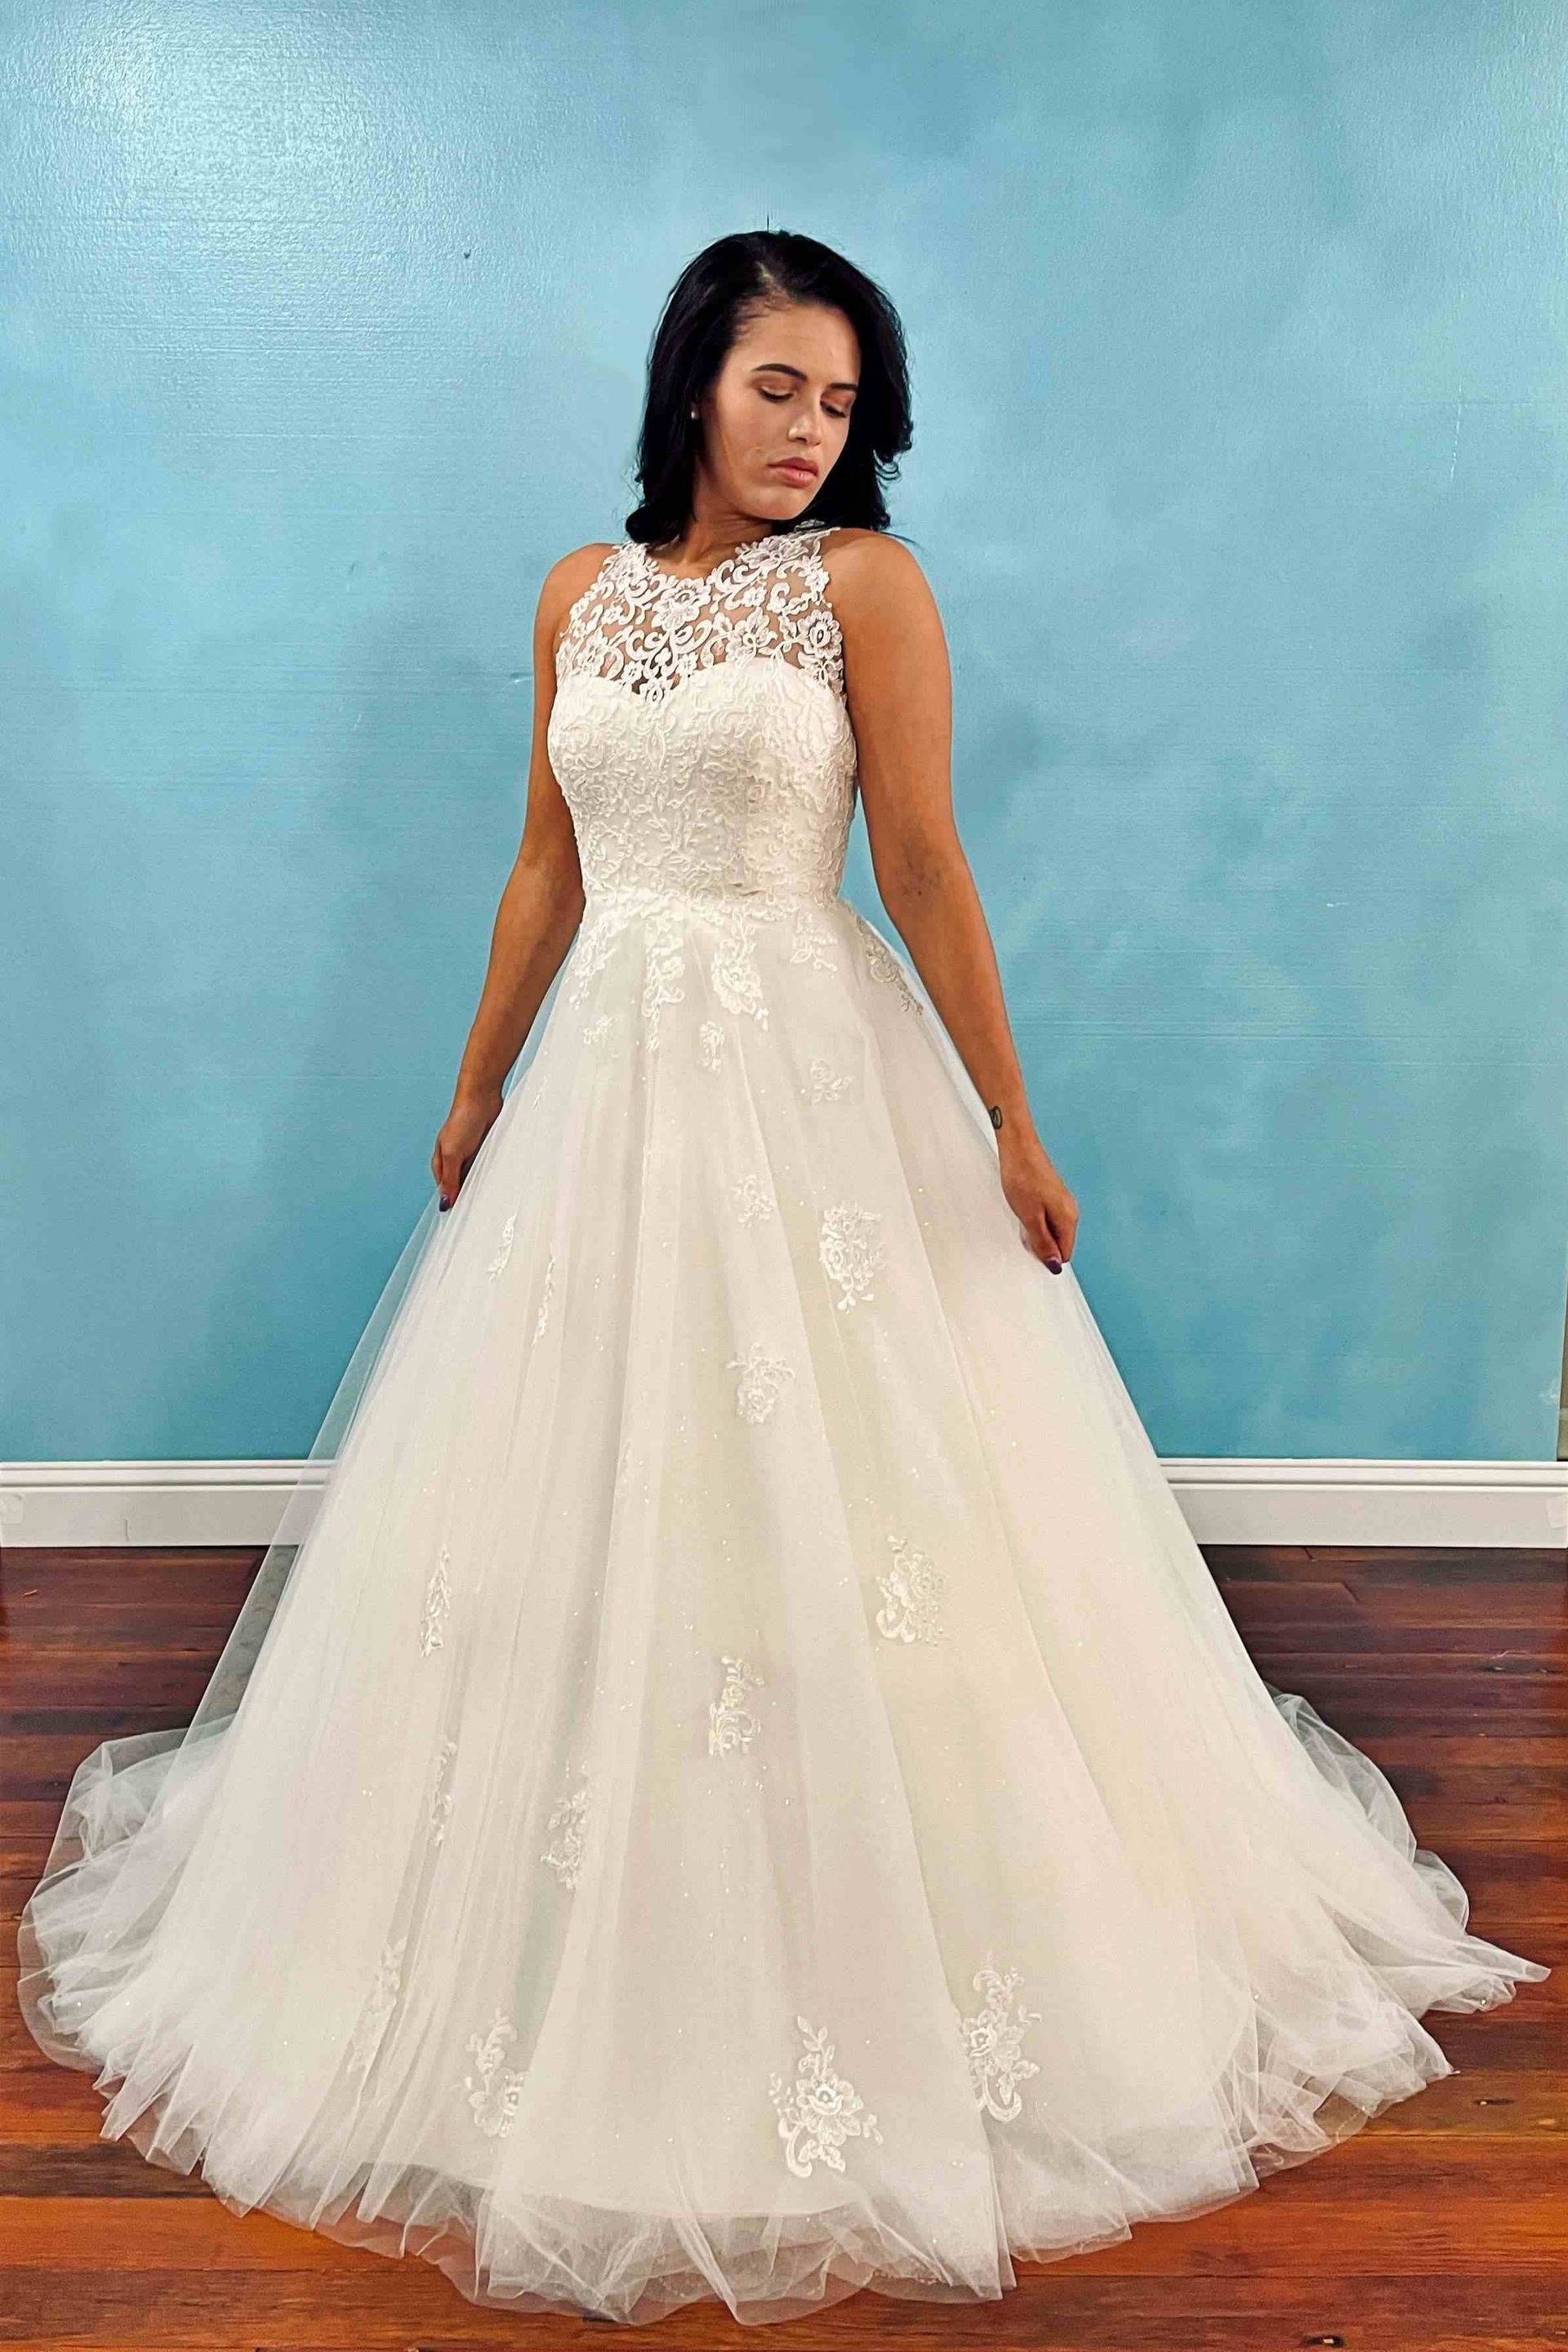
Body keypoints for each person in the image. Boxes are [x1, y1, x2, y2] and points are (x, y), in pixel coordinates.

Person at [16, 229, 1549, 2331]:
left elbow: (917, 860)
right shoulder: (578, 592)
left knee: (857, 1493)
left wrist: (1011, 1117)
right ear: (694, 385)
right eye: (779, 389)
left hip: (809, 1075)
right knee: (578, 1487)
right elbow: (545, 863)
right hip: (607, 1086)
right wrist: (474, 1084)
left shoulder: (866, 590)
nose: (813, 431)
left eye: (841, 403)